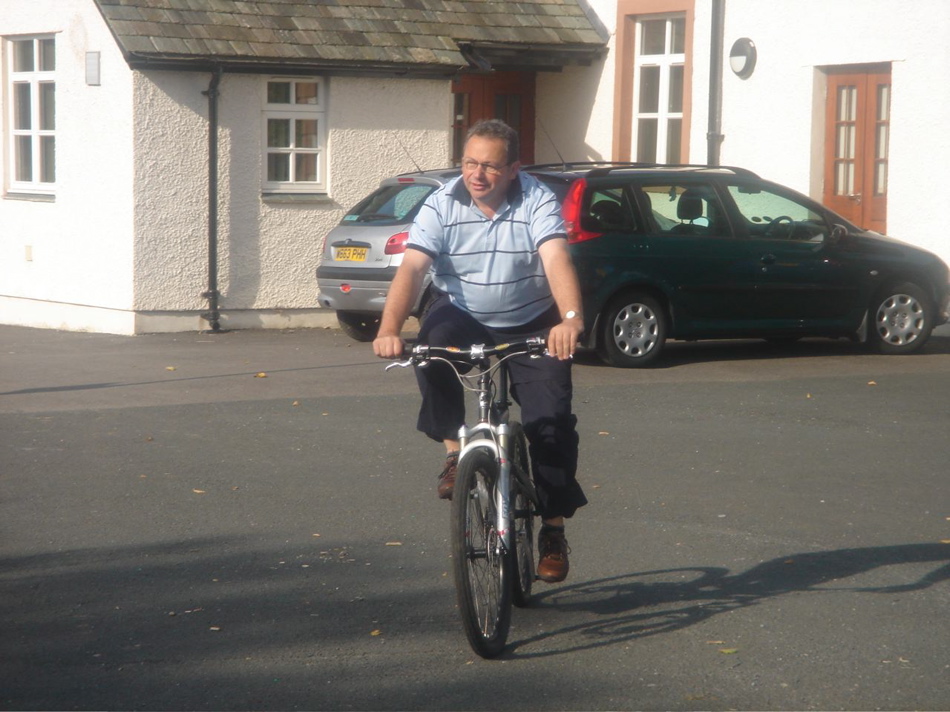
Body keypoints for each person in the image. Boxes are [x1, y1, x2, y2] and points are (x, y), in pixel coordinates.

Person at [373, 119, 587, 583]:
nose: (477, 174)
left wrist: (570, 320)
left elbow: (555, 258)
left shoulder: (536, 200)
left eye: (490, 165)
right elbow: (412, 269)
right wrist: (389, 327)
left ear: (513, 168)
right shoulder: (442, 203)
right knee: (429, 347)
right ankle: (455, 451)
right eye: (470, 162)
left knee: (549, 423)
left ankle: (552, 528)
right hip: (463, 311)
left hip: (533, 317)